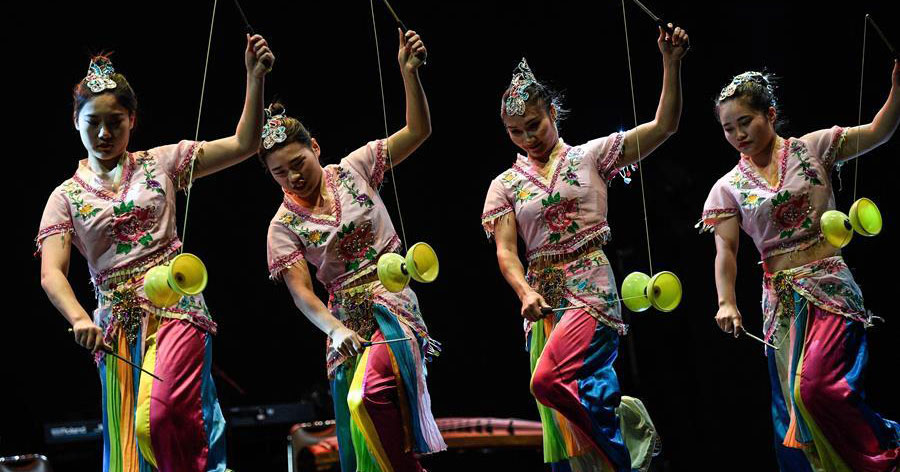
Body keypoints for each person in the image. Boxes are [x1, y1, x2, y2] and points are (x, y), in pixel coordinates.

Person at [37, 34, 274, 471]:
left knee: (159, 416)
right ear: (75, 121)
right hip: (114, 326)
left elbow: (244, 144)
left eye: (116, 122)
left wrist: (253, 78)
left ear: (132, 120)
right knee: (130, 447)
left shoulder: (161, 163)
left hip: (176, 306)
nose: (104, 133)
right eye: (93, 122)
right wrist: (78, 318)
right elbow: (52, 272)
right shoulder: (65, 197)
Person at [481, 25, 689, 472]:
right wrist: (524, 293)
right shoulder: (506, 185)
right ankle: (623, 431)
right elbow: (506, 252)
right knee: (571, 408)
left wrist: (671, 64)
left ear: (553, 112)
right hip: (542, 301)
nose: (527, 138)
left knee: (549, 382)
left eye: (534, 125)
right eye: (515, 132)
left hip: (591, 292)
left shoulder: (591, 156)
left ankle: (624, 458)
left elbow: (664, 126)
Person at [699, 61, 900, 470]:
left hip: (829, 288)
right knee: (796, 406)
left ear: (770, 115)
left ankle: (887, 446)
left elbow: (880, 130)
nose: (738, 135)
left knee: (818, 389)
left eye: (745, 122)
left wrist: (897, 89)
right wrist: (726, 301)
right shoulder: (727, 188)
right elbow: (727, 252)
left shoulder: (814, 148)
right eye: (728, 128)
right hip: (783, 302)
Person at [263, 29, 444, 472]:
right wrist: (334, 330)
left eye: (299, 164)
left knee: (371, 396)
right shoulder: (281, 226)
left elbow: (418, 130)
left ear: (316, 148)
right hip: (344, 323)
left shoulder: (354, 168)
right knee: (366, 432)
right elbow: (302, 293)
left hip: (392, 303)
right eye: (280, 173)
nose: (293, 178)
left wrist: (409, 74)